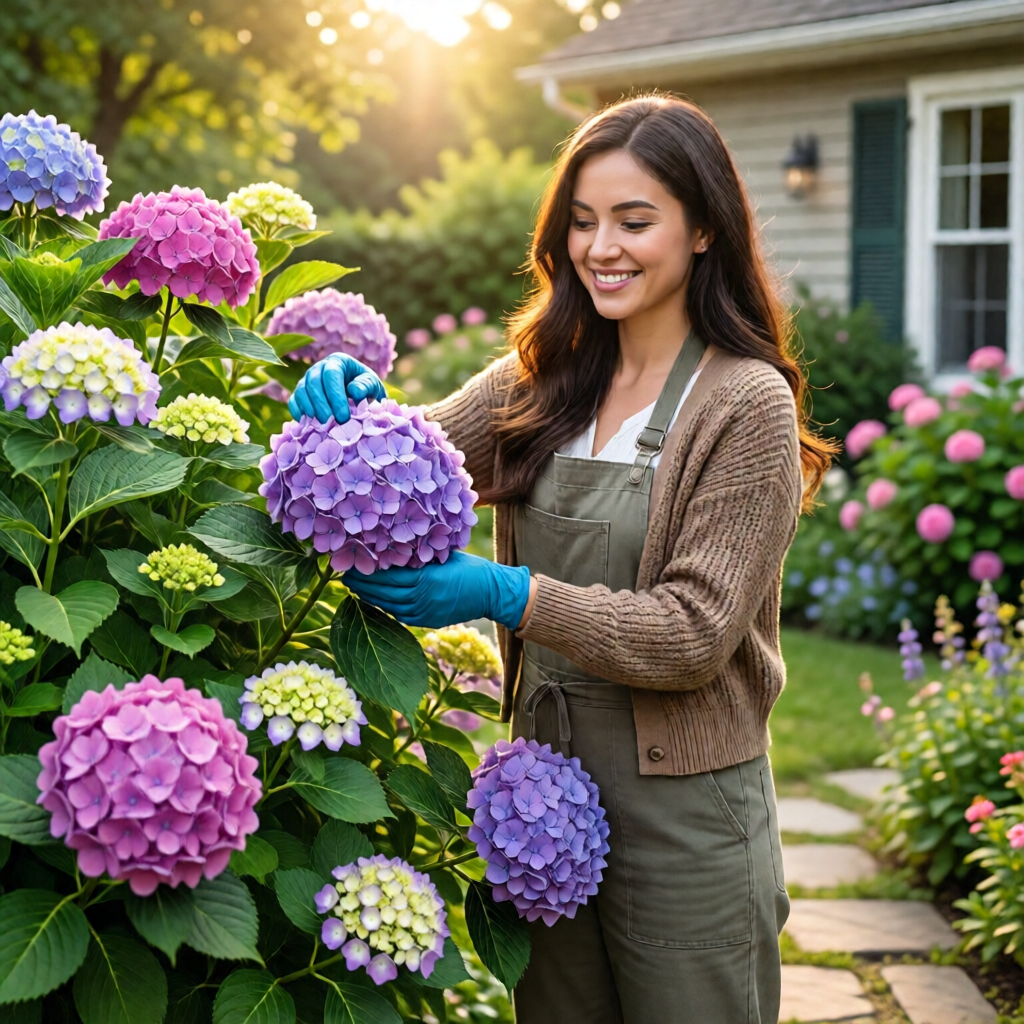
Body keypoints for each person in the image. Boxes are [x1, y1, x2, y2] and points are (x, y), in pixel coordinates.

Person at [289, 93, 835, 1024]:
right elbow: (411, 457)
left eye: (635, 220)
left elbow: (694, 634)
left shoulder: (744, 405)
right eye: (582, 222)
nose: (601, 248)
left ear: (703, 229)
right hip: (543, 803)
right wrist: (357, 409)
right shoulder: (544, 374)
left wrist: (500, 591)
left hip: (689, 816)